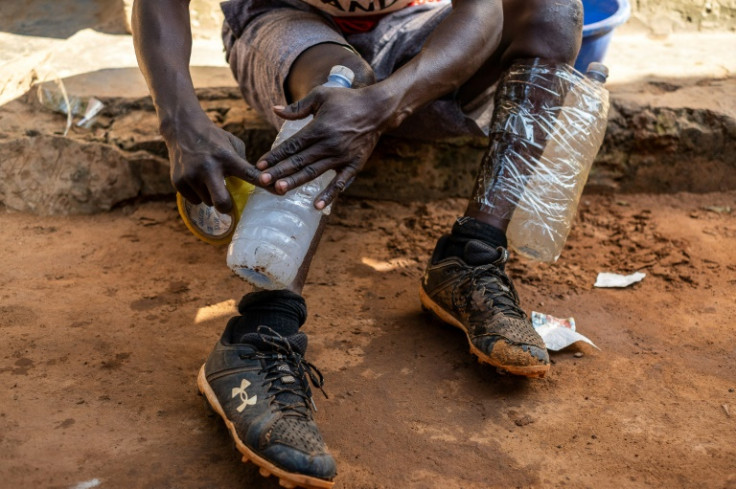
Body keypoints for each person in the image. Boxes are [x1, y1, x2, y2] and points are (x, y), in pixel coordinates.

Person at [132, 0, 584, 486]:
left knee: (555, 9)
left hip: (416, 33)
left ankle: (472, 254)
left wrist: (387, 102)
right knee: (343, 78)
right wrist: (178, 123)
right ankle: (258, 336)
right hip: (283, 25)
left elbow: (485, 9)